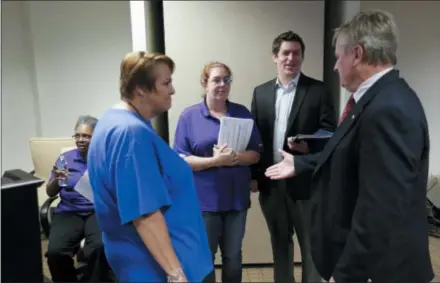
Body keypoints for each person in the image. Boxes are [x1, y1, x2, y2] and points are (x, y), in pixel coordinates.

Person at [265, 10, 434, 283]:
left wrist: (345, 275)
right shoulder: (374, 100)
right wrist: (300, 163)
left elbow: (380, 211)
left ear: (356, 54)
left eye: (337, 57)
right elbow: (348, 154)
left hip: (381, 271)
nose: (335, 66)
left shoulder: (389, 108)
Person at [87, 51, 213, 282]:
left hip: (145, 257)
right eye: (166, 83)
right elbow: (144, 213)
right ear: (140, 89)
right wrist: (176, 274)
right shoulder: (130, 133)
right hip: (158, 265)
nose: (172, 90)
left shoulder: (113, 120)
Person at [250, 31, 337, 283]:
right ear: (275, 57)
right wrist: (253, 176)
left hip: (306, 182)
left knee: (310, 248)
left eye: (296, 53)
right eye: (285, 53)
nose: (291, 58)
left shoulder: (318, 90)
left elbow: (330, 132)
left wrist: (308, 146)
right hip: (271, 183)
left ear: (302, 57)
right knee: (280, 245)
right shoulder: (260, 93)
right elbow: (255, 138)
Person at [173, 62, 262, 283]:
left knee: (233, 256)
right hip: (204, 203)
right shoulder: (189, 116)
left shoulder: (242, 113)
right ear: (204, 83)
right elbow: (182, 160)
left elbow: (256, 155)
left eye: (227, 80)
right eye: (216, 80)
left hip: (236, 200)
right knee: (205, 258)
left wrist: (235, 158)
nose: (223, 84)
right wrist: (215, 161)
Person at [46, 115, 109, 282]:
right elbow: (50, 193)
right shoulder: (64, 159)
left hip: (97, 210)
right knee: (55, 252)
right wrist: (57, 180)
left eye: (86, 136)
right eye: (78, 135)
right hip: (69, 211)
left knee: (99, 247)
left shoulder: (105, 158)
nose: (81, 140)